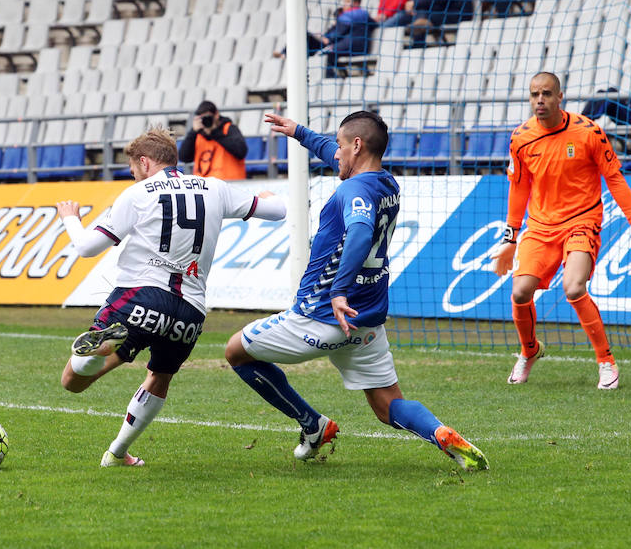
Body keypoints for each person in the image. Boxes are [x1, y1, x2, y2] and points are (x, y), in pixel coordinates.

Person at [224, 110, 490, 472]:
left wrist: (338, 292)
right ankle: (440, 432)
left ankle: (311, 424)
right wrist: (301, 133)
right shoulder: (387, 184)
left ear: (357, 145)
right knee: (387, 407)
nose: (334, 153)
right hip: (366, 323)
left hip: (322, 316)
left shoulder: (353, 190)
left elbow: (361, 232)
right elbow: (348, 166)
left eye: (338, 145)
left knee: (236, 351)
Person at [56, 127, 286, 467]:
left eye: (134, 170)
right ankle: (117, 453)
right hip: (190, 311)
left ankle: (103, 347)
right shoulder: (215, 187)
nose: (134, 177)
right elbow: (278, 211)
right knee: (160, 376)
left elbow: (87, 247)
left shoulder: (137, 195)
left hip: (141, 294)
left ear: (145, 162)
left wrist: (71, 220)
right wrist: (268, 197)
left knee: (71, 382)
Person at [490, 72, 631, 390]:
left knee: (573, 288)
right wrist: (510, 236)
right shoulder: (520, 138)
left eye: (546, 93)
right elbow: (518, 188)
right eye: (534, 94)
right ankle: (529, 351)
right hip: (541, 226)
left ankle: (606, 361)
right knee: (519, 293)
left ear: (560, 97)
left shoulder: (589, 132)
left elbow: (614, 178)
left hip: (582, 222)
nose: (539, 100)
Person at [581, 58, 631, 153]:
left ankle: (585, 121)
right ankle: (582, 120)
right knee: (601, 93)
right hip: (630, 117)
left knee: (612, 92)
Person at [178, 100, 247, 180]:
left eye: (208, 117)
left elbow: (241, 151)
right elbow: (184, 157)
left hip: (229, 184)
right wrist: (193, 132)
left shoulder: (229, 129)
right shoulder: (197, 134)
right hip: (205, 186)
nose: (207, 121)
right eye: (203, 118)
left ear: (216, 115)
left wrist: (215, 132)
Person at [319, 0, 375, 78]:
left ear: (357, 3)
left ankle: (332, 80)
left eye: (348, 2)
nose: (344, 4)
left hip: (351, 46)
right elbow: (374, 24)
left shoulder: (348, 16)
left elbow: (336, 35)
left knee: (327, 54)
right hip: (363, 47)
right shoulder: (364, 14)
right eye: (344, 1)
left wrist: (326, 38)